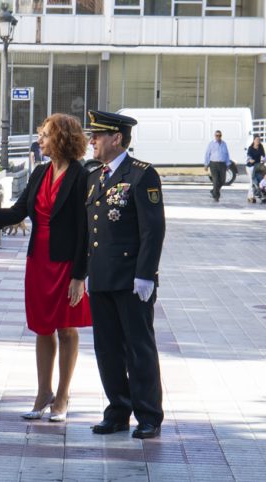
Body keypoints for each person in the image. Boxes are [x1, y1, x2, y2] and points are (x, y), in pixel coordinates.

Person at [0, 114, 92, 423]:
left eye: (44, 135)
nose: (39, 140)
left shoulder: (82, 176)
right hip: (39, 260)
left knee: (66, 329)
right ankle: (43, 393)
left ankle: (63, 396)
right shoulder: (40, 172)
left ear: (61, 139)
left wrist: (79, 276)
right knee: (42, 327)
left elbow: (85, 231)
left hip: (67, 262)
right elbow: (19, 210)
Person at [85, 110, 166, 440]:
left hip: (132, 279)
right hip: (102, 276)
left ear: (116, 139)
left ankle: (148, 414)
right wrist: (85, 272)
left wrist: (145, 273)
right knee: (107, 349)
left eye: (98, 136)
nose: (92, 141)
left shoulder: (142, 174)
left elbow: (153, 228)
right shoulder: (94, 176)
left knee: (138, 347)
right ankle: (117, 410)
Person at [204, 130, 231, 202]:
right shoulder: (211, 144)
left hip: (222, 164)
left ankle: (214, 190)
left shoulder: (224, 144)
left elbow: (227, 154)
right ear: (215, 136)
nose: (218, 137)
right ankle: (216, 196)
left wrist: (228, 164)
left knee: (222, 180)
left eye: (220, 135)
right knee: (215, 180)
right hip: (213, 164)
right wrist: (206, 164)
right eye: (217, 135)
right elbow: (207, 154)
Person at [246, 135, 266, 203]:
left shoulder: (261, 147)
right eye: (257, 140)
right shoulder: (250, 148)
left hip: (257, 167)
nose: (258, 141)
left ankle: (250, 196)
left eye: (259, 140)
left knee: (258, 181)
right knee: (252, 182)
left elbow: (263, 156)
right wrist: (250, 160)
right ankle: (251, 197)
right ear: (254, 140)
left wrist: (263, 160)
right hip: (250, 167)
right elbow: (248, 157)